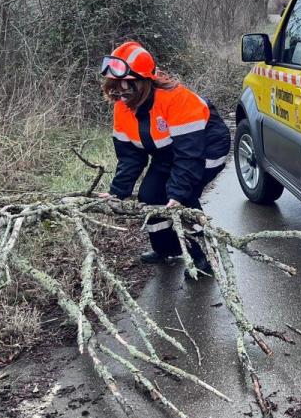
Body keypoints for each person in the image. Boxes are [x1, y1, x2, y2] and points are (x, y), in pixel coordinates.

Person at [99, 41, 231, 275]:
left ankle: (202, 259)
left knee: (182, 198)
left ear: (143, 81)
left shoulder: (176, 100)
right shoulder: (123, 107)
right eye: (116, 86)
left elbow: (189, 156)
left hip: (206, 150)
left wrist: (178, 194)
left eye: (127, 85)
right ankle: (167, 249)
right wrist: (117, 193)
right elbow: (130, 157)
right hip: (169, 153)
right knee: (150, 195)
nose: (121, 92)